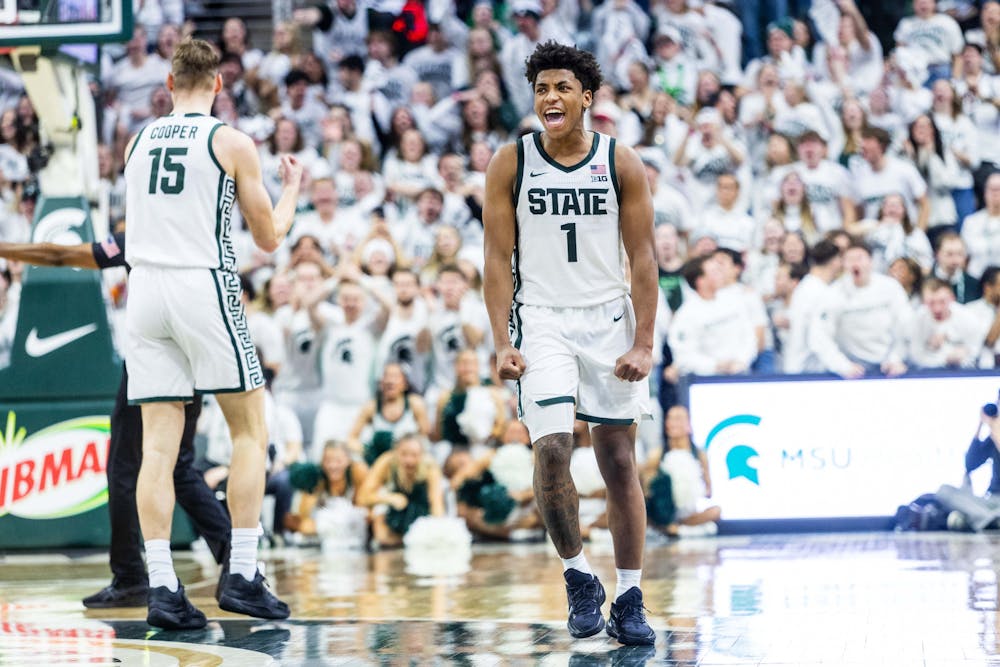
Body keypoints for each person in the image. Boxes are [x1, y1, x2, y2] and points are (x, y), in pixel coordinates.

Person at [483, 42, 658, 646]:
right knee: (552, 449)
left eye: (562, 88)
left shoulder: (620, 160)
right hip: (542, 319)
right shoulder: (511, 161)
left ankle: (630, 595)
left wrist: (643, 342)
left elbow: (643, 258)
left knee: (617, 461)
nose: (550, 98)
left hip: (607, 316)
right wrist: (501, 340)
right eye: (541, 89)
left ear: (586, 97)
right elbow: (495, 258)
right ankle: (579, 576)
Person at [123, 39, 301, 629]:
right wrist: (292, 189)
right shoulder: (230, 142)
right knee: (250, 430)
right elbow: (269, 237)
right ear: (219, 84)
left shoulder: (136, 141)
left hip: (143, 291)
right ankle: (243, 572)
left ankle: (162, 587)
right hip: (201, 284)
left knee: (157, 448)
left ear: (169, 84)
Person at [0, 234, 231, 608]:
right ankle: (234, 556)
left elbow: (57, 254)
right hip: (194, 349)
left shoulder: (142, 235)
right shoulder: (198, 233)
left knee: (125, 467)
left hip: (152, 352)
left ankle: (131, 577)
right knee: (177, 466)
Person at [809, 240, 912, 378]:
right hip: (851, 371)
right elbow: (819, 336)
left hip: (888, 368)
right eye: (850, 259)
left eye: (859, 258)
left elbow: (906, 326)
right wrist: (842, 365)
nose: (855, 264)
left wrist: (896, 358)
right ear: (843, 264)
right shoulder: (833, 294)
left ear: (871, 261)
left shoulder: (890, 287)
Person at [668, 255, 757, 377]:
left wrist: (741, 361)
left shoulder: (734, 301)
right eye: (715, 272)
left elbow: (749, 336)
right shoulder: (686, 315)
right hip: (706, 379)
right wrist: (716, 366)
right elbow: (684, 355)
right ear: (700, 281)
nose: (721, 274)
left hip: (741, 373)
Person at [357, 434, 446, 548]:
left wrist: (438, 530)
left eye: (414, 455)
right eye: (404, 454)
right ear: (396, 452)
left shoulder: (430, 466)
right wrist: (389, 498)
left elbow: (436, 504)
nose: (409, 460)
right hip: (395, 508)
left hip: (422, 508)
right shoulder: (387, 462)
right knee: (380, 514)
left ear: (422, 455)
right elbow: (363, 497)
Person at [783, 240, 843, 374]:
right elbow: (817, 338)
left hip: (802, 366)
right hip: (806, 370)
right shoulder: (817, 291)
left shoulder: (807, 287)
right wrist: (842, 365)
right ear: (834, 261)